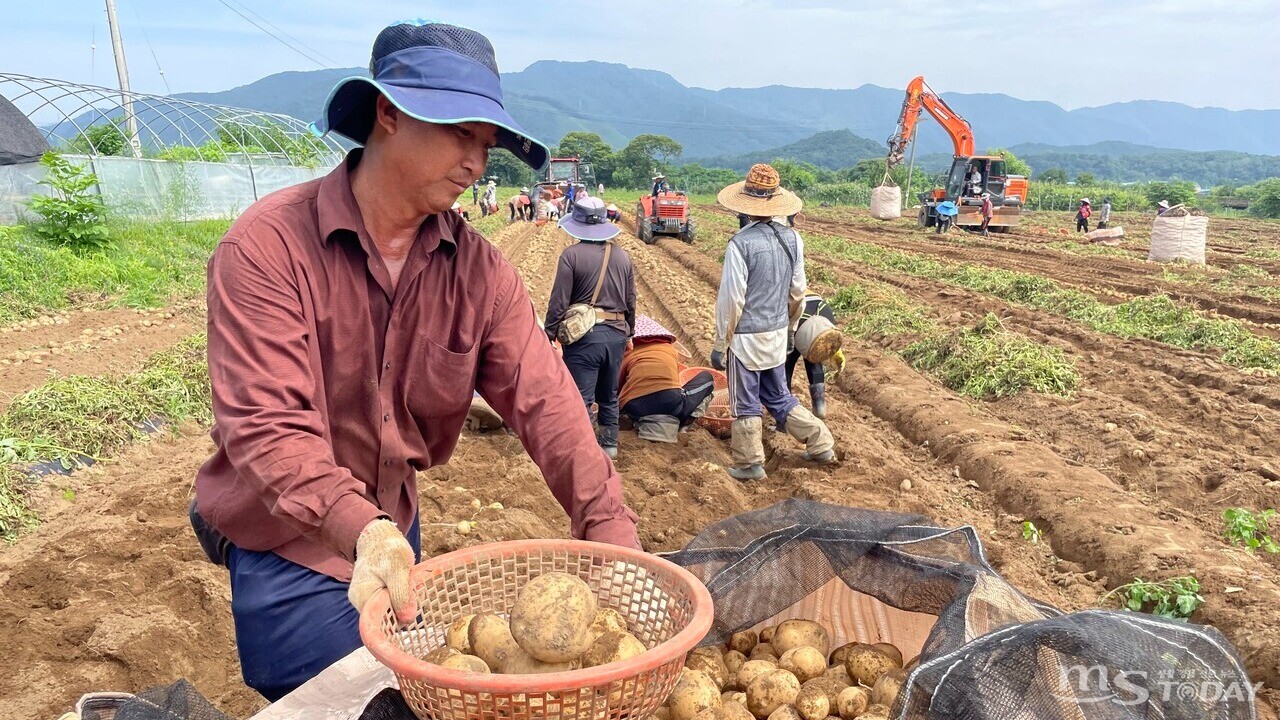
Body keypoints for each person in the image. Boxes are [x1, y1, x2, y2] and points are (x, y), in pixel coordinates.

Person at [190, 21, 640, 702]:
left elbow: (547, 402)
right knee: (367, 701)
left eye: (486, 144)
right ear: (390, 114)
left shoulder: (479, 274)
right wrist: (361, 531)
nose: (477, 163)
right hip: (287, 531)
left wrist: (609, 526)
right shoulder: (267, 249)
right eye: (461, 132)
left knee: (428, 686)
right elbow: (268, 426)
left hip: (392, 518)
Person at [710, 163, 836, 481]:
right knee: (778, 395)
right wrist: (790, 327)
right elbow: (798, 292)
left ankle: (749, 462)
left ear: (745, 207)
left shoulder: (740, 244)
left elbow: (732, 300)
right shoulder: (793, 240)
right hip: (778, 333)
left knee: (745, 399)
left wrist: (721, 342)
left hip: (746, 339)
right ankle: (820, 442)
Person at [545, 196, 637, 460]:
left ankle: (584, 450)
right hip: (617, 333)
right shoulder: (622, 256)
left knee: (581, 396)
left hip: (585, 336)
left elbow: (559, 300)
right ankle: (609, 446)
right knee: (609, 393)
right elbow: (631, 299)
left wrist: (549, 334)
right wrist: (629, 332)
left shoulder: (571, 256)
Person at [618, 315, 715, 442]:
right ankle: (683, 425)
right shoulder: (669, 349)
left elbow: (617, 386)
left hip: (636, 409)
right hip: (670, 405)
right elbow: (672, 380)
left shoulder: (627, 353)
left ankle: (634, 422)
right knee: (707, 378)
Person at [785, 294, 845, 419]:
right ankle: (820, 407)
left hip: (800, 313)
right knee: (815, 357)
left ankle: (786, 413)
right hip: (823, 311)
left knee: (787, 363)